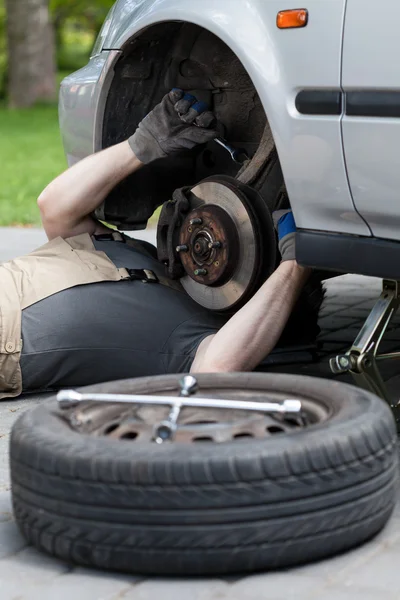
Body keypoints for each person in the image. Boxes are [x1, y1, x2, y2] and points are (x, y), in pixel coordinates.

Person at [0, 89, 315, 400]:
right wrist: (144, 144)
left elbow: (216, 370)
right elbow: (54, 208)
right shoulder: (152, 275)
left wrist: (294, 266)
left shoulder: (189, 331)